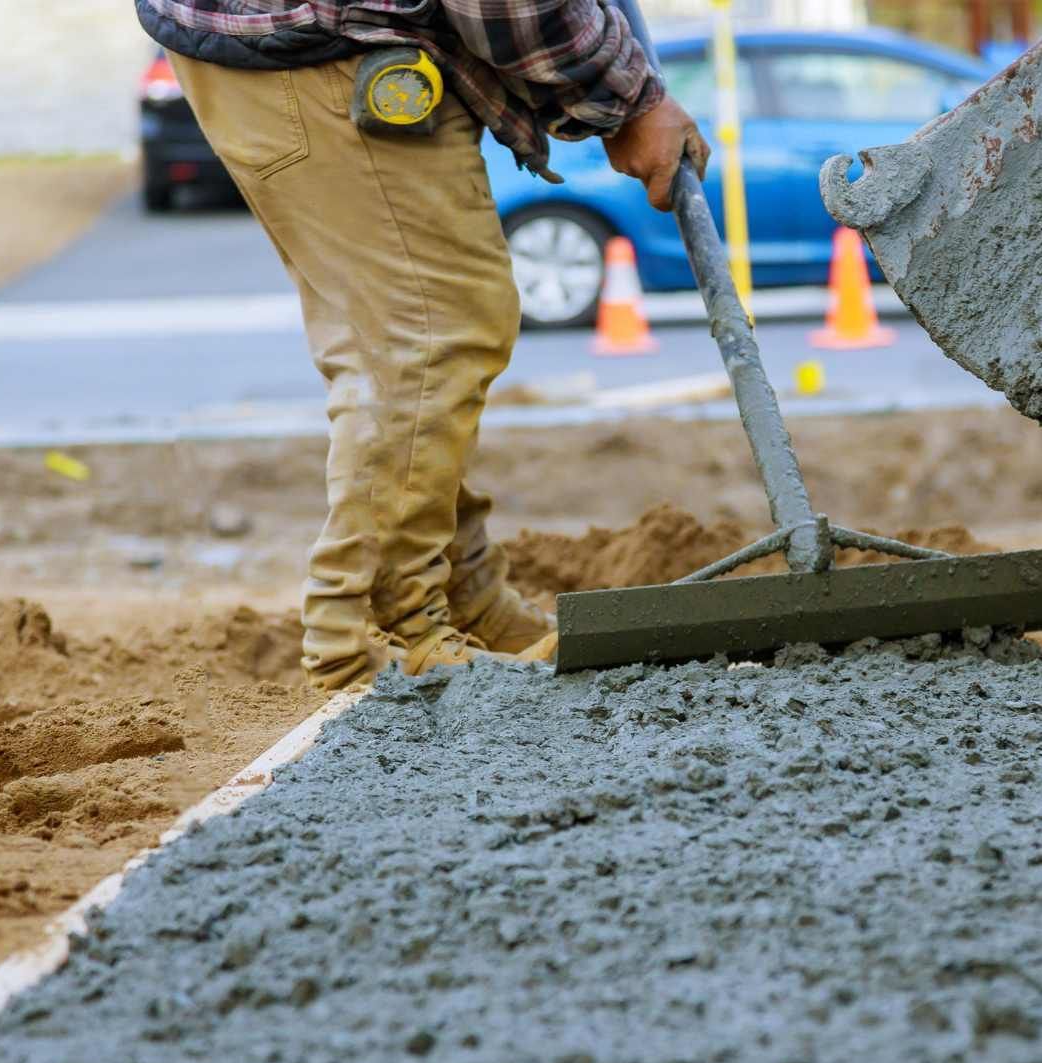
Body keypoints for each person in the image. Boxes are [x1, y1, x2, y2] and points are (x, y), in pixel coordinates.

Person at [134, 0, 710, 690]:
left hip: (288, 36)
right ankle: (381, 635)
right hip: (319, 48)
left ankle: (460, 600)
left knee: (400, 334)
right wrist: (627, 101)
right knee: (431, 332)